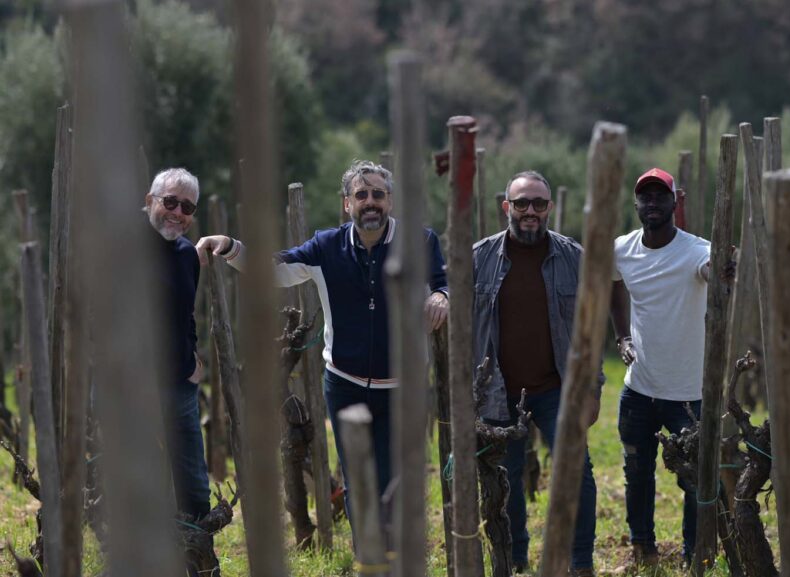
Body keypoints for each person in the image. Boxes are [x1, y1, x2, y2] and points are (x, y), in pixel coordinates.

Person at [196, 159, 448, 508]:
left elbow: (442, 283)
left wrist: (440, 296)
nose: (370, 201)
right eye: (361, 195)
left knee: (396, 486)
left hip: (403, 388)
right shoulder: (326, 246)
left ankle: (396, 560)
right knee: (357, 486)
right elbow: (276, 269)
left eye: (378, 194)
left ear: (390, 201)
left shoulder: (420, 241)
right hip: (344, 386)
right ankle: (368, 561)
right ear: (347, 204)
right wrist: (230, 246)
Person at [472, 170, 599, 577]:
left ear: (549, 208)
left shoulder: (573, 257)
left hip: (555, 386)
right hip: (496, 390)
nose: (530, 211)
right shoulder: (479, 258)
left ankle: (579, 561)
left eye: (538, 204)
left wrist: (592, 388)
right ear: (506, 207)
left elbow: (591, 328)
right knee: (504, 479)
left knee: (576, 473)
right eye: (522, 203)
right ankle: (515, 557)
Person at [609, 167, 719, 568]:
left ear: (677, 201)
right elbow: (612, 283)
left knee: (693, 479)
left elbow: (713, 270)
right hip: (639, 388)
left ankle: (696, 557)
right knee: (636, 473)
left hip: (689, 395)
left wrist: (721, 270)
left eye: (660, 196)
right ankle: (643, 550)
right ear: (636, 204)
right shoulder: (622, 248)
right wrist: (622, 336)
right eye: (645, 196)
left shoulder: (696, 250)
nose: (652, 202)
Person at [144, 168, 211, 522]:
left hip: (179, 389)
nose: (178, 213)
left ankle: (201, 565)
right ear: (150, 201)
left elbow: (186, 315)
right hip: (131, 388)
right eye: (170, 201)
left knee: (195, 488)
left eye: (187, 207)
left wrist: (192, 362)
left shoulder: (187, 255)